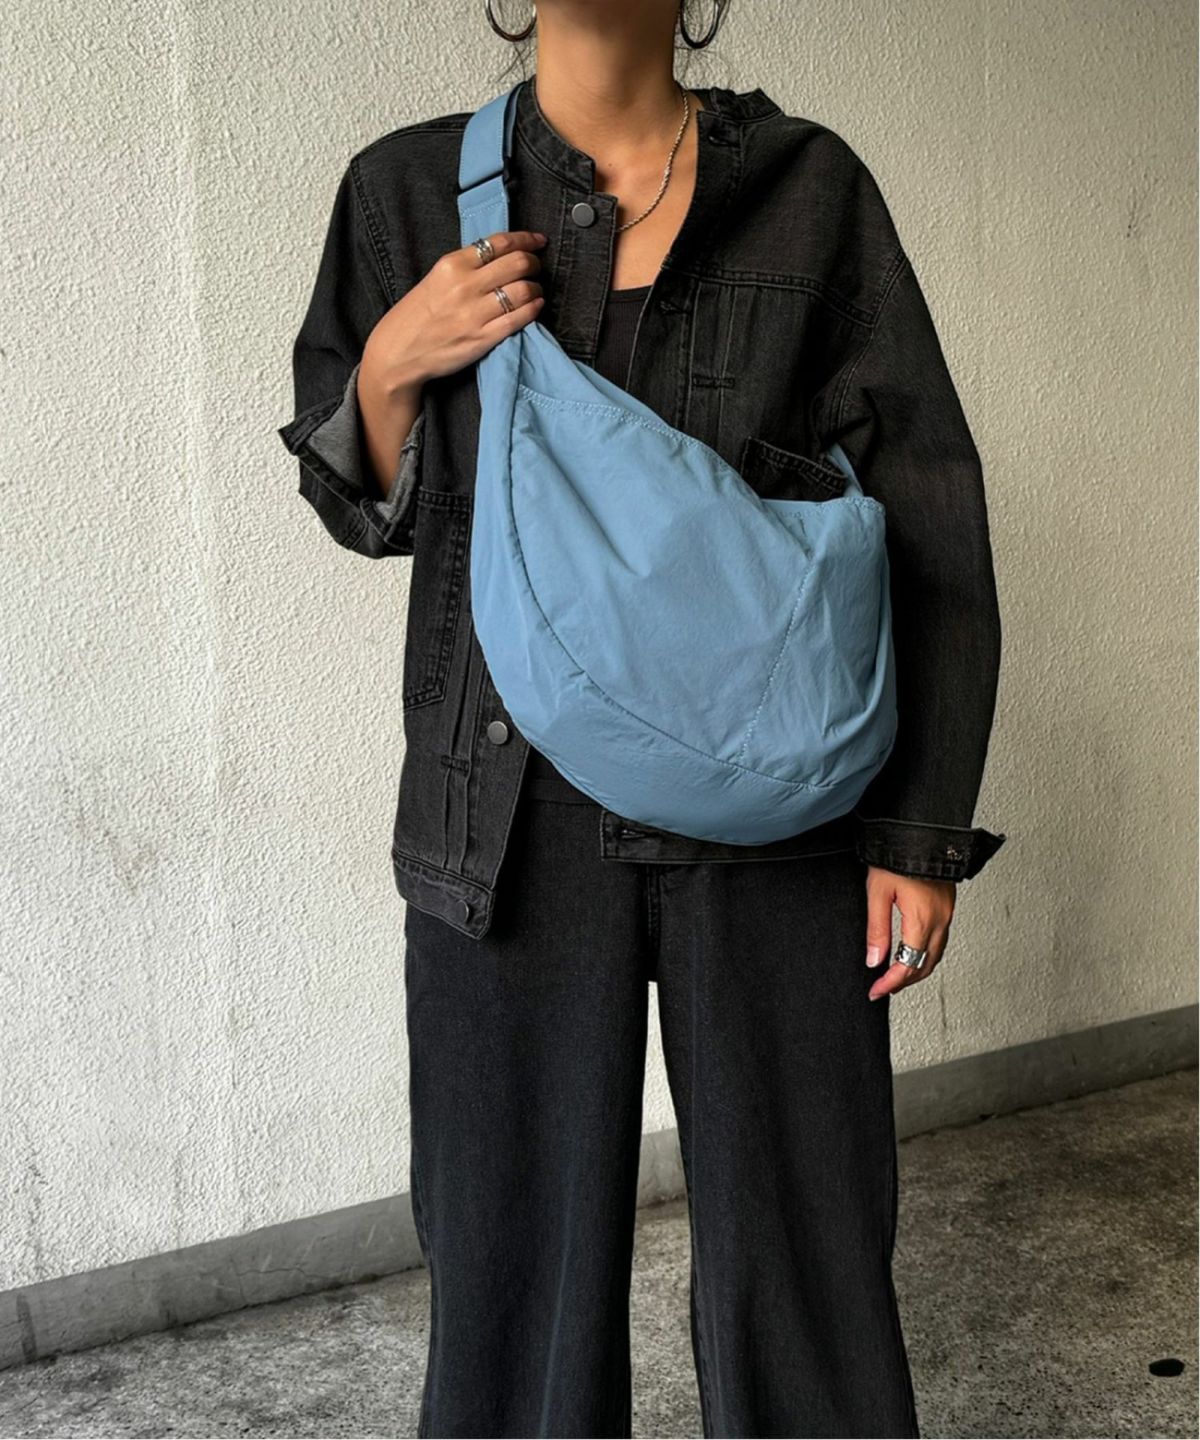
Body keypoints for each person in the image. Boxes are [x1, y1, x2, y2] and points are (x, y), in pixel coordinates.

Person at [277, 2, 1007, 1434]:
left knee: (809, 1270)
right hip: (504, 824)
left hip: (778, 809)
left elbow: (927, 505)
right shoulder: (404, 192)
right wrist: (391, 364)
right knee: (509, 1292)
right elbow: (362, 507)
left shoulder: (810, 188)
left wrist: (917, 831)